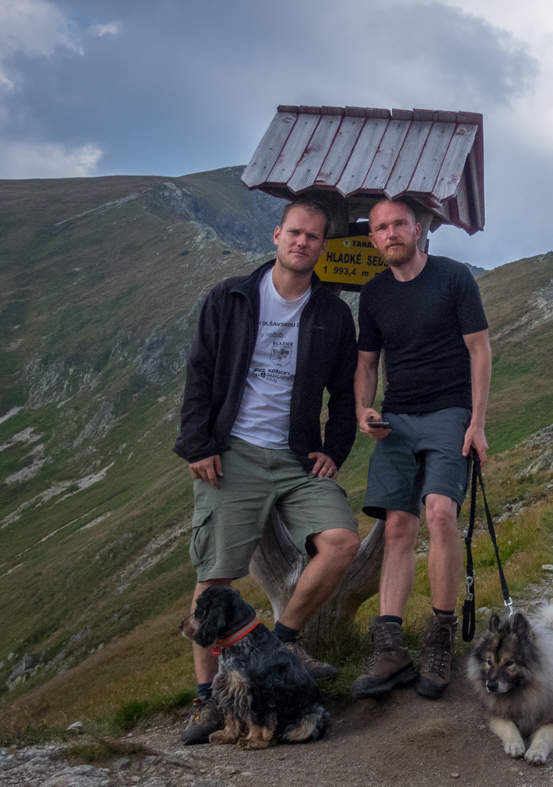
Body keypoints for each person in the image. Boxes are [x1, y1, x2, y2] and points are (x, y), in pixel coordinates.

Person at [172, 200, 360, 744]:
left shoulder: (332, 312)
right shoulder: (231, 297)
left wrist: (334, 449)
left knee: (343, 542)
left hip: (298, 458)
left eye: (314, 237)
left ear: (324, 247)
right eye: (294, 233)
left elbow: (345, 395)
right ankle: (208, 701)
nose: (302, 243)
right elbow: (199, 374)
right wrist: (198, 444)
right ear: (277, 235)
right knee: (213, 576)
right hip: (234, 452)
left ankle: (284, 640)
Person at [350, 198, 491, 701]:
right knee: (396, 526)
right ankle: (389, 646)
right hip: (397, 418)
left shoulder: (454, 278)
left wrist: (476, 423)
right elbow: (367, 363)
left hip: (449, 411)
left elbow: (480, 349)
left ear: (418, 229)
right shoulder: (373, 294)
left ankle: (439, 636)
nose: (390, 233)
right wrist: (364, 409)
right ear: (373, 238)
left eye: (399, 225)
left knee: (438, 514)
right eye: (381, 227)